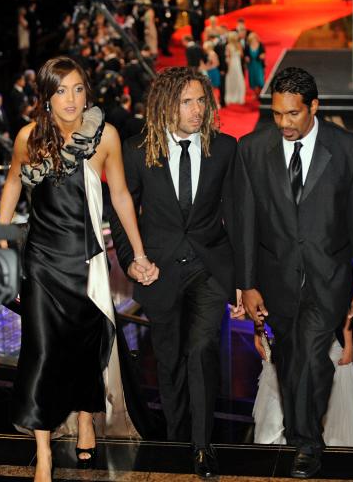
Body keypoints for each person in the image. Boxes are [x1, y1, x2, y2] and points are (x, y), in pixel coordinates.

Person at [0, 56, 157, 482]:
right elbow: (13, 180)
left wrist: (138, 254)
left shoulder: (104, 137)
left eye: (78, 89)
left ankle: (87, 418)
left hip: (88, 264)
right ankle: (44, 452)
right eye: (61, 90)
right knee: (42, 354)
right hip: (43, 265)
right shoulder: (28, 138)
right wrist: (0, 235)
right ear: (46, 96)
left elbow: (121, 195)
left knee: (88, 348)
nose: (71, 99)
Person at [234, 67, 353, 478]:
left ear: (314, 107)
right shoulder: (252, 149)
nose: (284, 123)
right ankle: (302, 435)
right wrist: (248, 284)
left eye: (293, 114)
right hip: (277, 281)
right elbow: (245, 223)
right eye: (277, 114)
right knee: (291, 360)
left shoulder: (348, 149)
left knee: (311, 356)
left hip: (328, 279)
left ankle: (306, 443)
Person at [109, 67, 242, 479]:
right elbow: (122, 210)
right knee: (168, 362)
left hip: (210, 270)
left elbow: (237, 217)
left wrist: (243, 281)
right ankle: (178, 436)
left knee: (202, 351)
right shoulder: (136, 150)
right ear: (166, 104)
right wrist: (133, 257)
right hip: (159, 272)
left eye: (201, 100)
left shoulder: (224, 148)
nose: (197, 109)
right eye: (187, 101)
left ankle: (202, 447)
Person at [252, 322, 353, 447]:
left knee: (329, 419)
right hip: (287, 343)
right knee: (275, 416)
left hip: (325, 340)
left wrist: (348, 340)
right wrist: (258, 328)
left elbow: (343, 303)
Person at [224, 31, 245, 105]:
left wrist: (228, 67)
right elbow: (242, 55)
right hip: (236, 64)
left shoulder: (229, 46)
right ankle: (238, 97)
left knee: (232, 79)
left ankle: (233, 97)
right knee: (238, 79)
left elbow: (228, 58)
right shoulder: (238, 45)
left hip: (233, 64)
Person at [245, 32, 265, 98]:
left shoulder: (260, 45)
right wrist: (246, 58)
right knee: (253, 79)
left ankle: (260, 92)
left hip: (258, 65)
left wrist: (262, 56)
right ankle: (257, 94)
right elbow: (246, 55)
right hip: (251, 65)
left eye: (254, 39)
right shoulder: (247, 46)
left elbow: (263, 54)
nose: (253, 41)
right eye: (251, 40)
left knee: (260, 79)